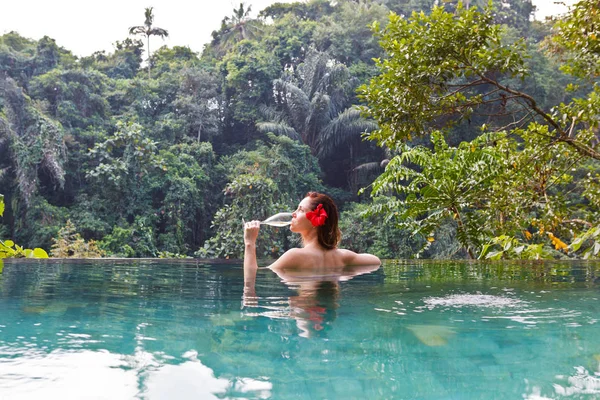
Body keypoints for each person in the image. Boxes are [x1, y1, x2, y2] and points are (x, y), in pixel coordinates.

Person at [243, 191, 381, 288]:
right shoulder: (343, 257)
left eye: (300, 210)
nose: (293, 214)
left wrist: (250, 242)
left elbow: (251, 276)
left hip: (307, 307)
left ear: (316, 221)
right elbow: (376, 261)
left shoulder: (295, 255)